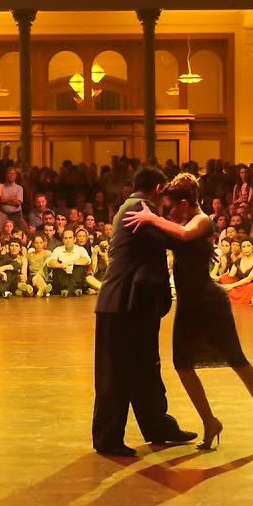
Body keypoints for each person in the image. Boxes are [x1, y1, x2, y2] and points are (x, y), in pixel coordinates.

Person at [125, 173, 253, 450]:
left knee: (238, 361)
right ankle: (210, 421)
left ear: (186, 203)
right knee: (183, 365)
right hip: (189, 305)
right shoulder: (183, 220)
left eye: (172, 207)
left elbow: (184, 235)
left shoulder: (202, 220)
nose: (170, 213)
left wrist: (152, 218)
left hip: (210, 303)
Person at [90, 166, 196, 457]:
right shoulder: (139, 211)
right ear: (159, 189)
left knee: (146, 370)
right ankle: (108, 439)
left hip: (134, 305)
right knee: (117, 374)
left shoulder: (136, 208)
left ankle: (158, 426)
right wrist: (191, 219)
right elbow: (176, 241)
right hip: (123, 305)